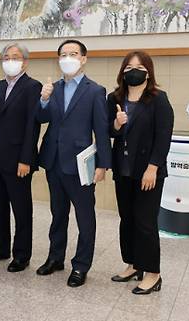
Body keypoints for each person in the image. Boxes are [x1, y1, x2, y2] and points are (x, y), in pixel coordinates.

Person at [36, 39, 112, 287]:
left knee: (85, 216)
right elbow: (41, 117)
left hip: (80, 164)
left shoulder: (95, 91)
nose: (68, 58)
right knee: (58, 214)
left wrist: (103, 164)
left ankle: (81, 266)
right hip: (54, 161)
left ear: (83, 59)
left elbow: (101, 130)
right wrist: (44, 100)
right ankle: (55, 258)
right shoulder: (53, 87)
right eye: (63, 54)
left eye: (73, 53)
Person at [107, 51, 173, 295]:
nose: (133, 70)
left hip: (148, 171)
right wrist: (116, 124)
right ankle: (134, 264)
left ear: (148, 71)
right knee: (127, 219)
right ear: (123, 71)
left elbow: (163, 136)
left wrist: (153, 168)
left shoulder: (158, 99)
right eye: (128, 66)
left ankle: (153, 274)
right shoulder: (114, 97)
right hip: (123, 170)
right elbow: (108, 132)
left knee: (145, 222)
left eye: (139, 66)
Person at [0, 44, 42, 272]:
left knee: (21, 208)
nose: (10, 61)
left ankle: (21, 254)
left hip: (18, 156)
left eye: (15, 57)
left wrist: (26, 159)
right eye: (6, 57)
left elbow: (32, 125)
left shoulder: (32, 86)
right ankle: (1, 248)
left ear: (25, 62)